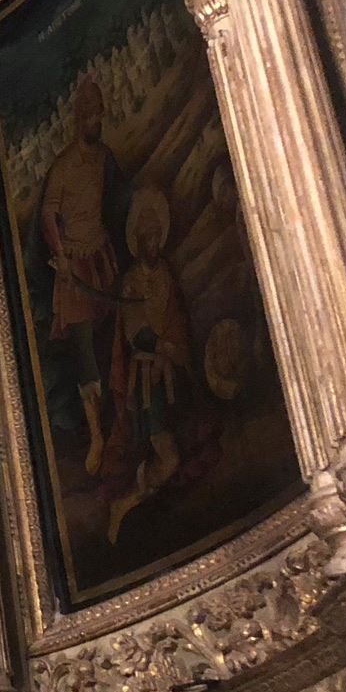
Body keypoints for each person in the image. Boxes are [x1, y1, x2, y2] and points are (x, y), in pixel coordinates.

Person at [39, 78, 124, 474]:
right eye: (90, 116)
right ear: (79, 120)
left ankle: (120, 419)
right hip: (74, 264)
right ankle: (95, 435)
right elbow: (48, 215)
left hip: (102, 255)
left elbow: (118, 199)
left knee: (111, 337)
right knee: (85, 347)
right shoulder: (63, 166)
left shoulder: (105, 158)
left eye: (99, 115)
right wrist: (61, 255)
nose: (96, 122)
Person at [106, 184, 192, 541]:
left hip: (171, 372)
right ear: (138, 242)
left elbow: (177, 318)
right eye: (148, 238)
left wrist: (173, 347)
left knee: (181, 447)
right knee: (168, 456)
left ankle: (149, 506)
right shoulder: (131, 282)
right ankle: (125, 504)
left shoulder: (165, 275)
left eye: (158, 236)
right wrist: (161, 346)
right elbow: (134, 330)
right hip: (148, 379)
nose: (154, 244)